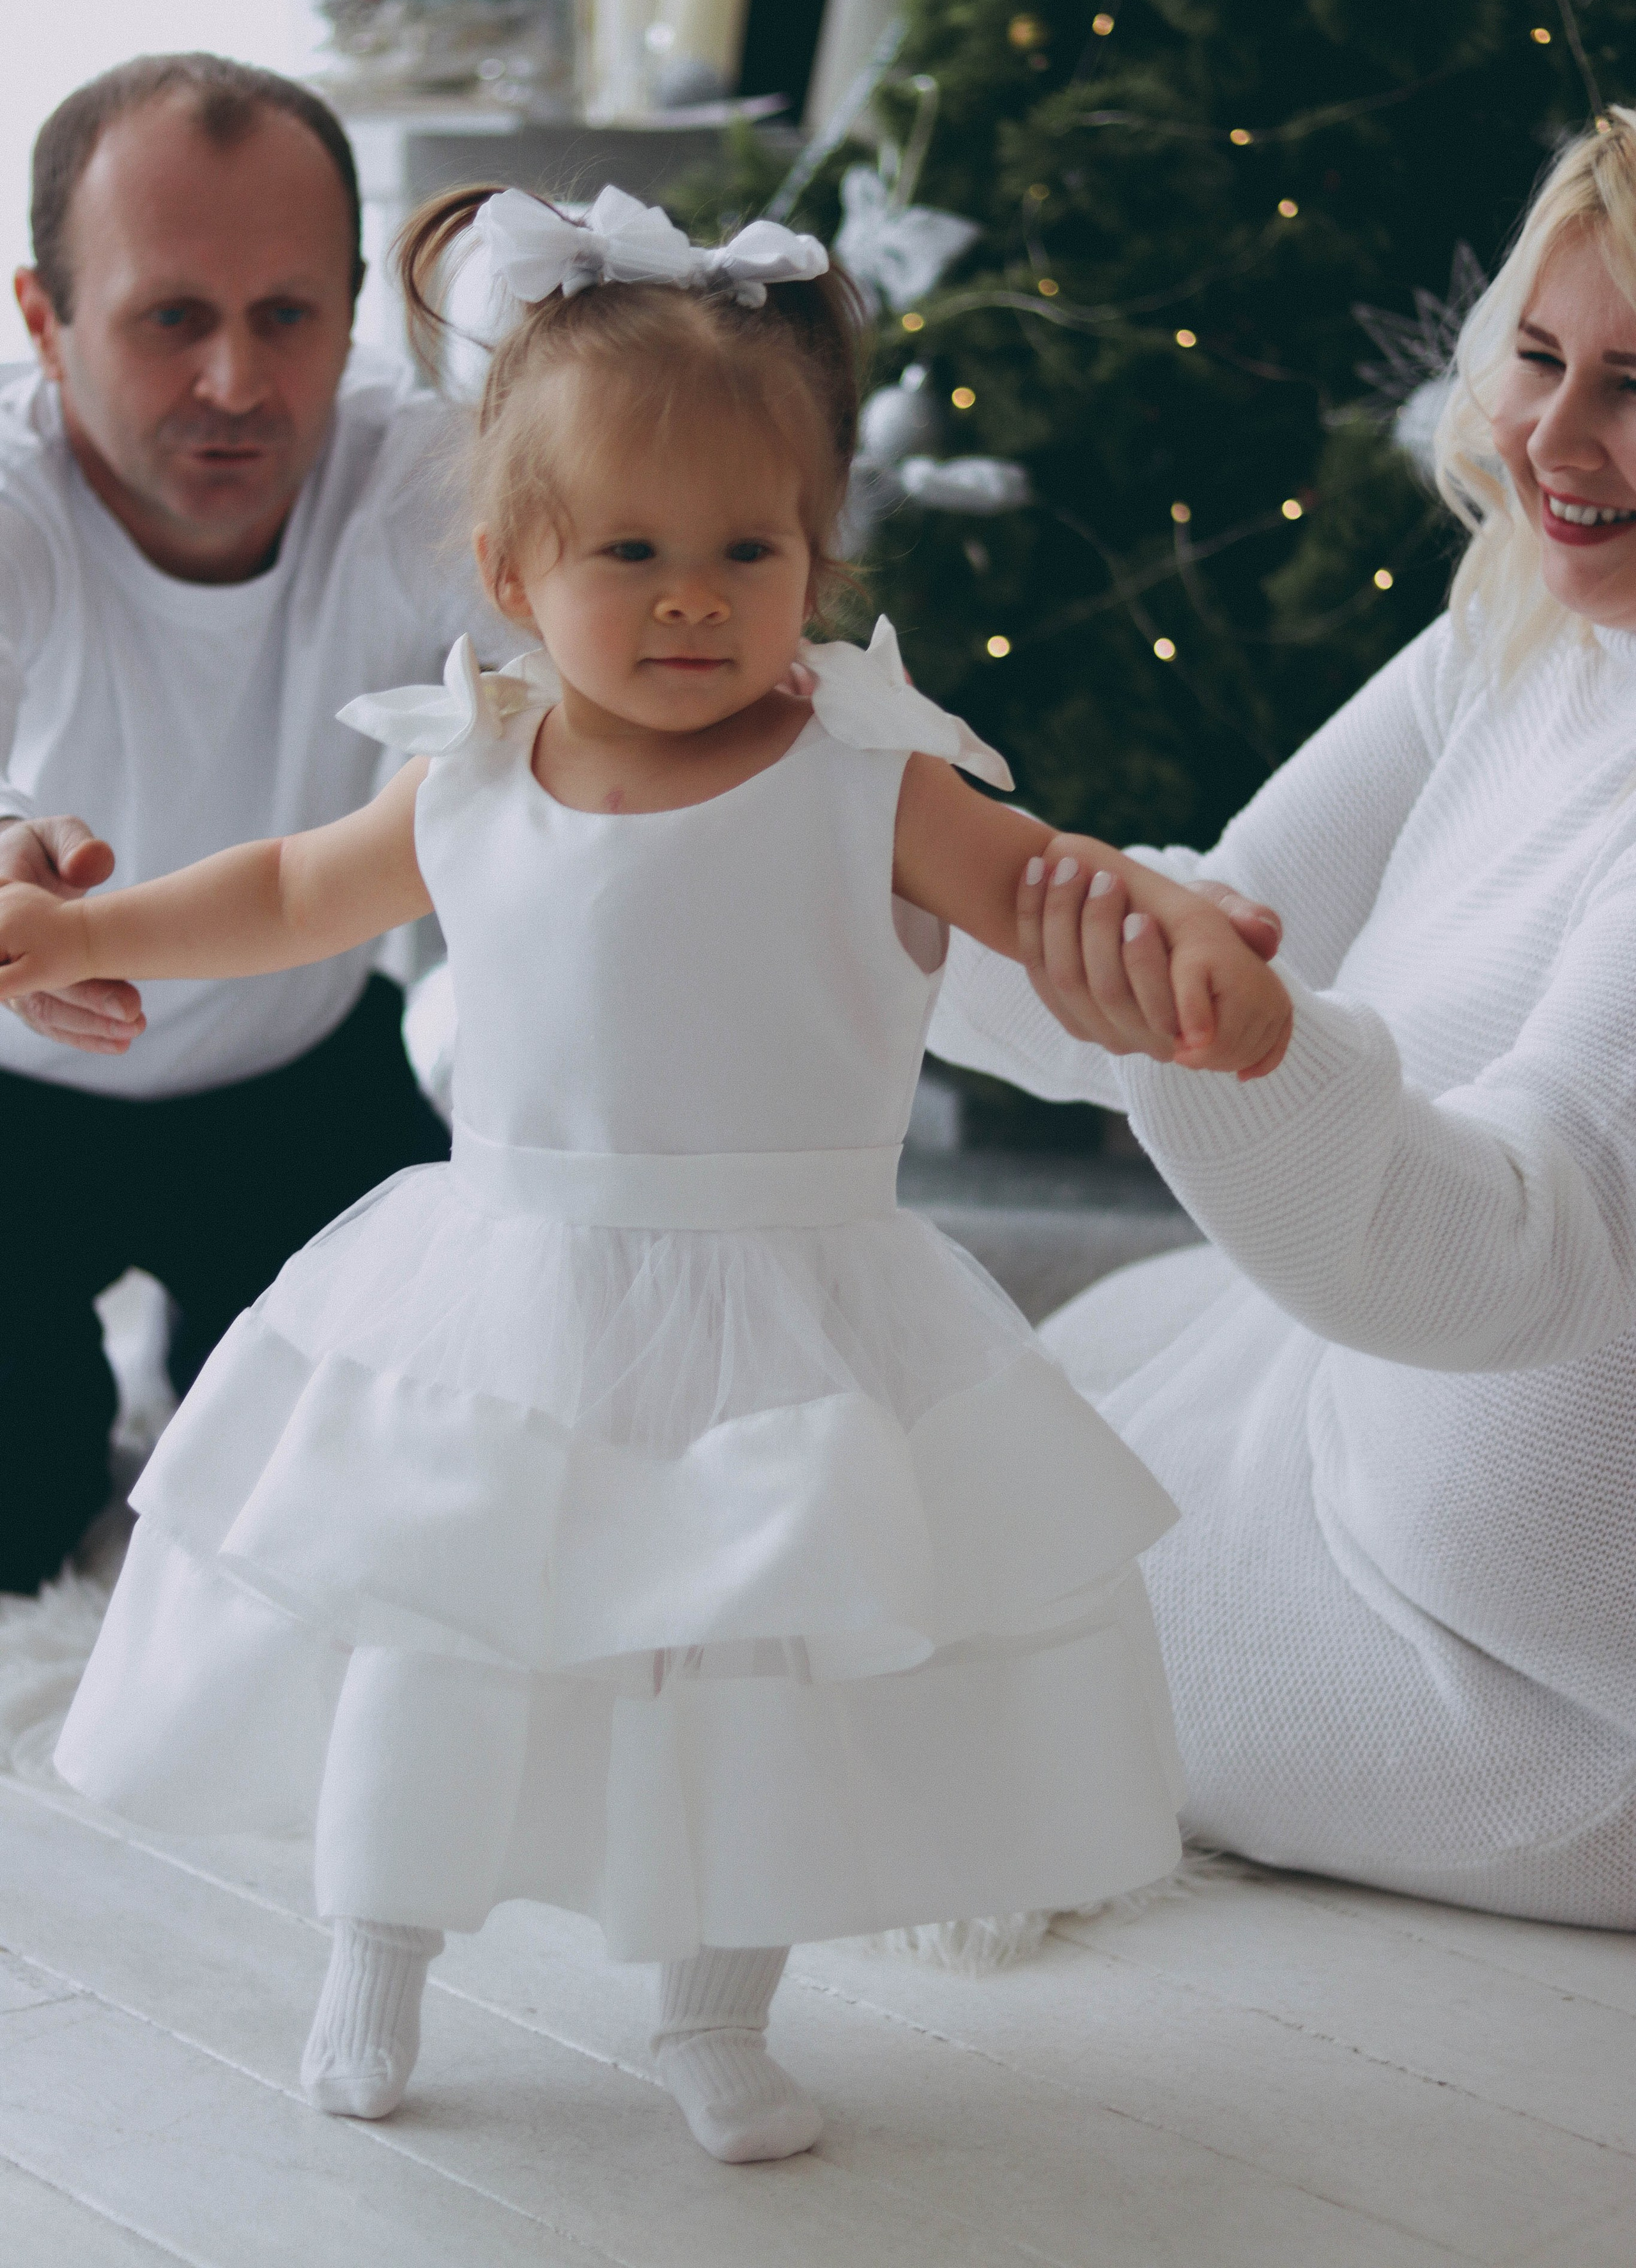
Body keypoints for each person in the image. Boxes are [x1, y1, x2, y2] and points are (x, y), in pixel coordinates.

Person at [3, 185, 1290, 2157]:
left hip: (792, 1305)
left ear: (815, 558)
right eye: (631, 552)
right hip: (517, 1281)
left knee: (741, 1677)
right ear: (514, 569)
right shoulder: (475, 774)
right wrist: (91, 938)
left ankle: (713, 2012)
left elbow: (1055, 893)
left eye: (745, 551)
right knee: (445, 1641)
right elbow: (273, 892)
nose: (693, 598)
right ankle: (380, 1949)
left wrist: (1176, 928)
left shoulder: (876, 776)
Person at [929, 104, 1636, 1931]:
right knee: (969, 1421)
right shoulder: (1526, 628)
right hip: (1339, 1419)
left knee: (890, 1605)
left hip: (1548, 1703)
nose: (1557, 441)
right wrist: (864, 843)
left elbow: (1527, 1248)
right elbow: (1229, 908)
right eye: (1541, 360)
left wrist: (1241, 1051)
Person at [0, 54, 499, 1595]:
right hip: (12, 1095)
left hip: (298, 1079)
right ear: (43, 319)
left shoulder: (420, 470)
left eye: (287, 315)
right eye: (171, 319)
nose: (234, 383)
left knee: (357, 1534)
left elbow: (630, 684)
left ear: (351, 311)